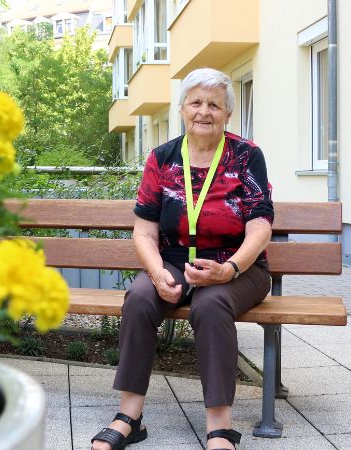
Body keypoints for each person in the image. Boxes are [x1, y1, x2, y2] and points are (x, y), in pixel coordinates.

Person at [90, 68, 274, 450]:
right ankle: (129, 416)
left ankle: (220, 425)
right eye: (196, 102)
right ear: (182, 109)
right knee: (139, 297)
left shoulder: (246, 156)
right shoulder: (162, 158)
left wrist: (230, 269)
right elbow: (144, 231)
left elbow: (260, 226)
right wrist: (157, 273)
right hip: (173, 260)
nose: (204, 111)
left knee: (211, 302)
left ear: (227, 114)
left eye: (214, 105)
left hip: (238, 265)